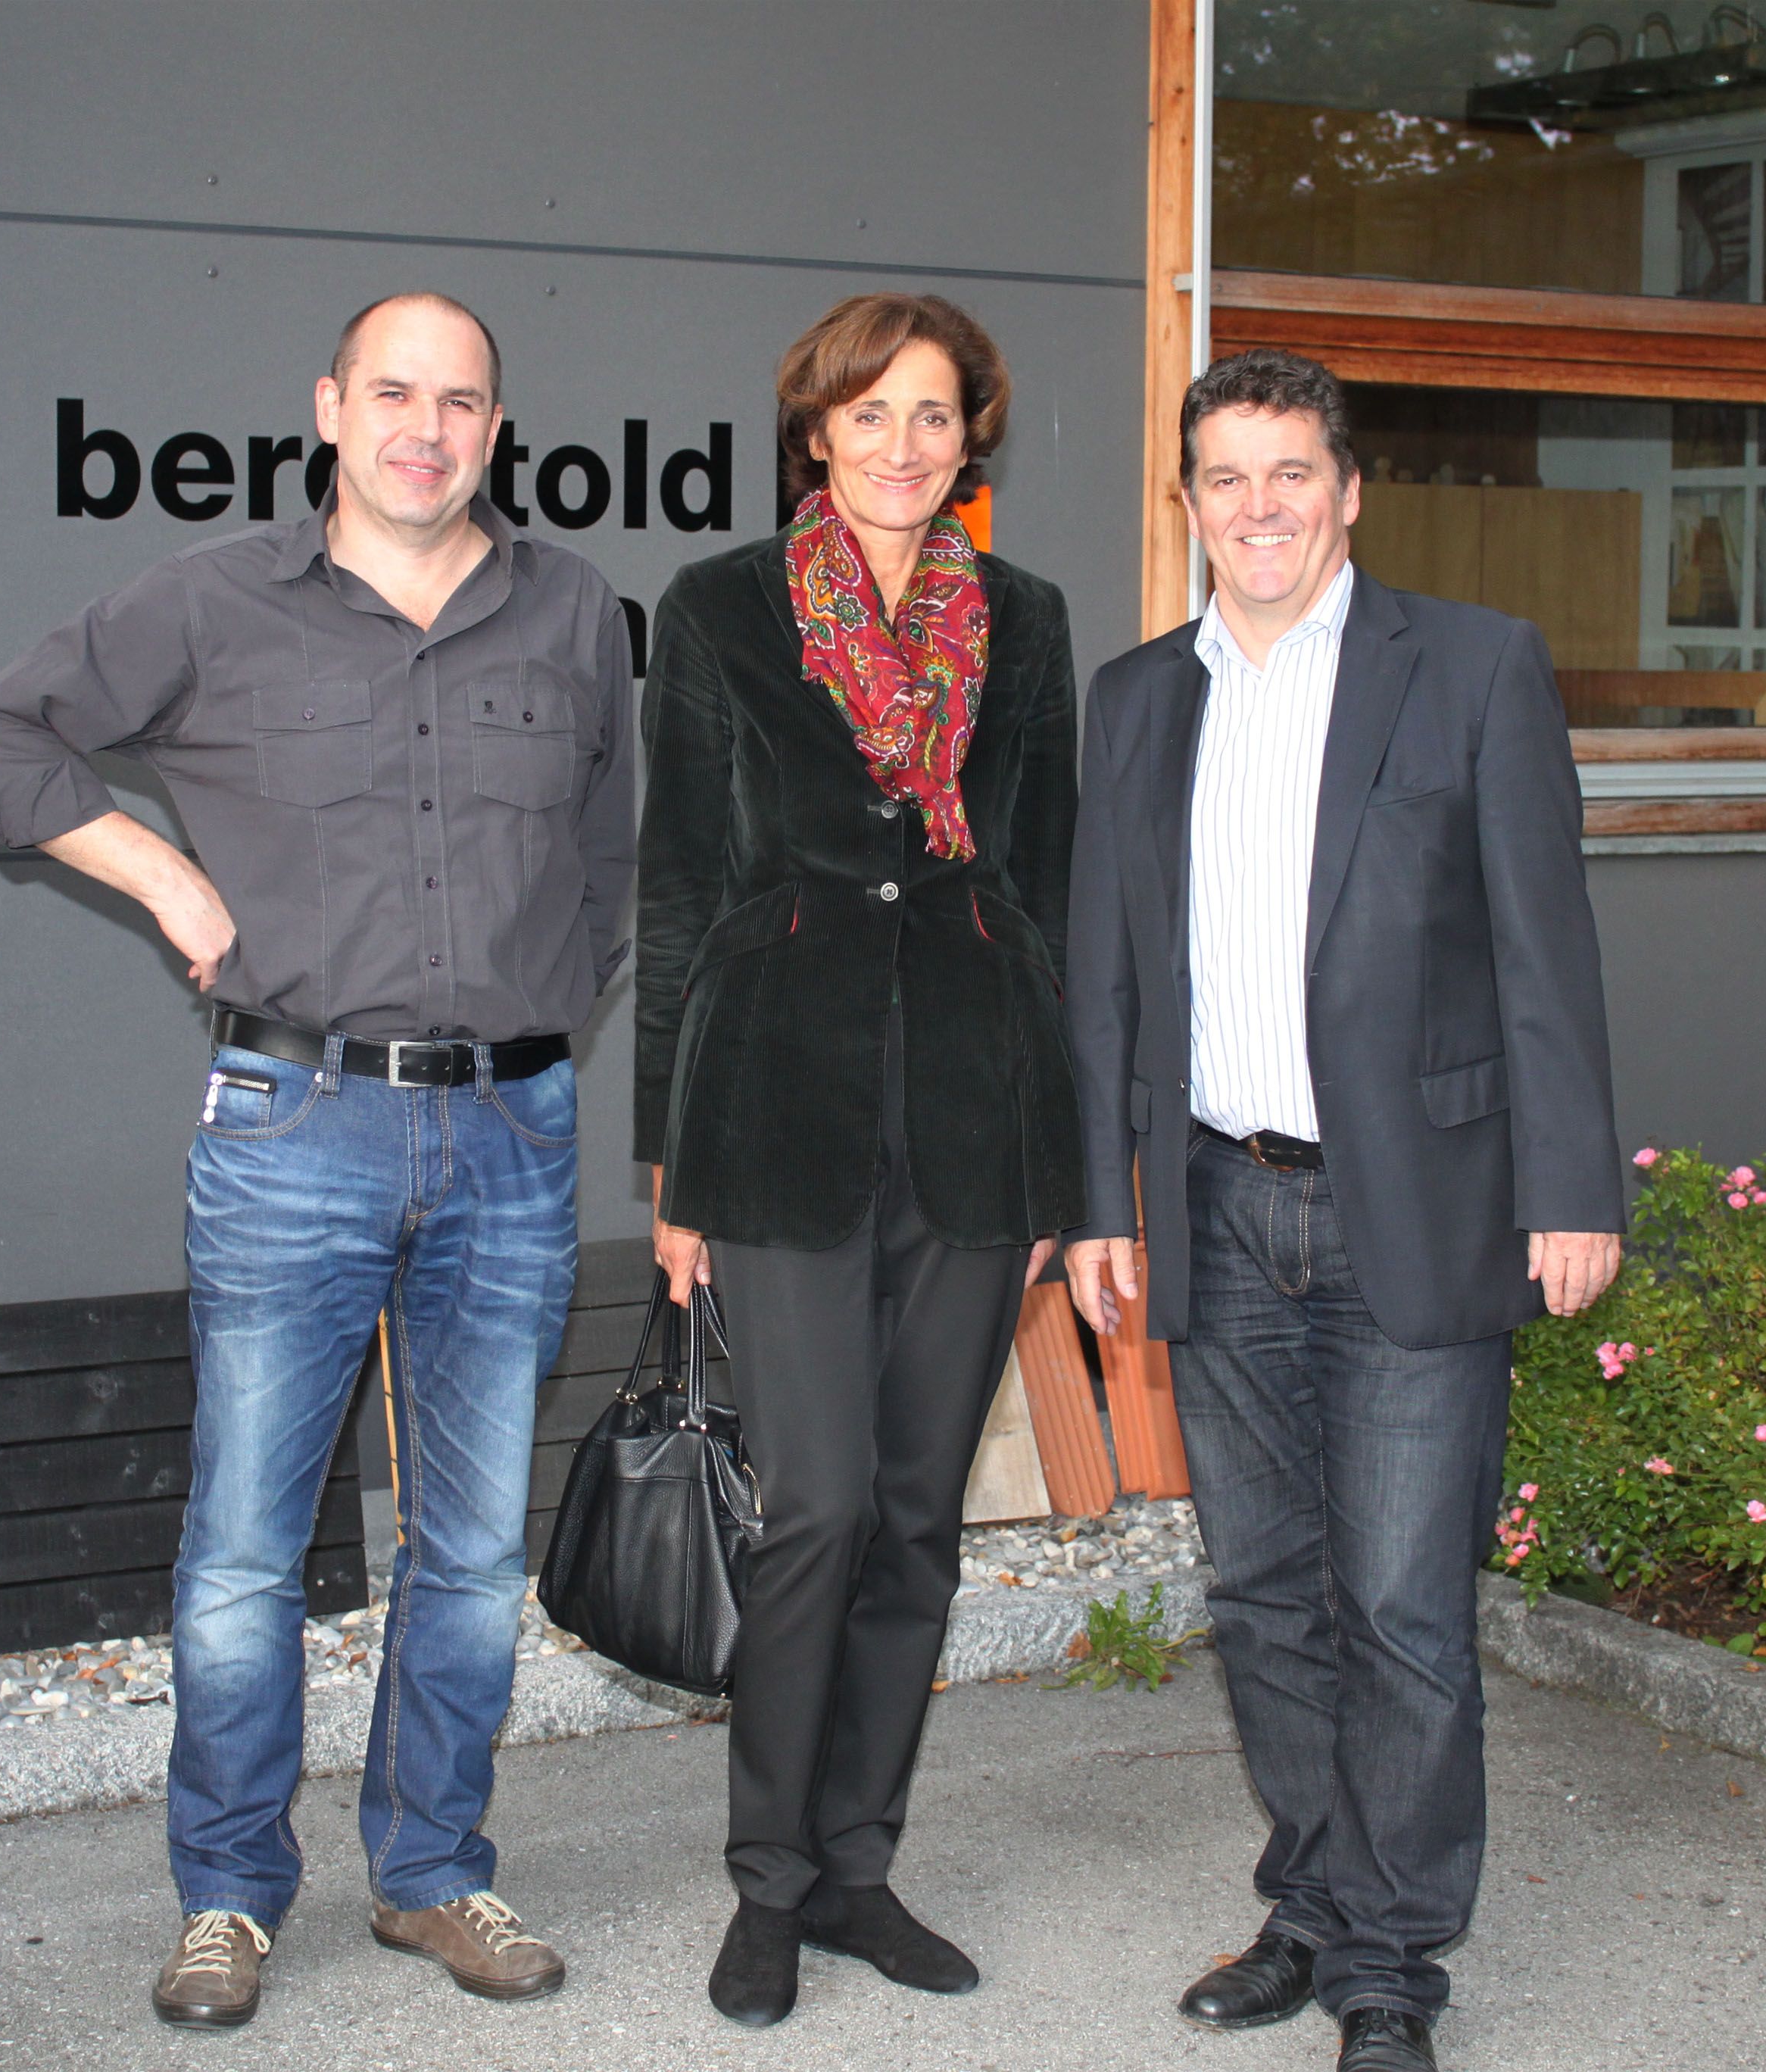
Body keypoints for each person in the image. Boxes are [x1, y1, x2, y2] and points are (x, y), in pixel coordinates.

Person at [0, 292, 632, 2029]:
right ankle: (228, 1896)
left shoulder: (572, 609)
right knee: (247, 1550)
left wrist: (542, 1016)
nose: (425, 428)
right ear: (329, 407)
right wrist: (167, 878)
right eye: (393, 391)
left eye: (459, 401)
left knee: (471, 1548)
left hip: (513, 1133)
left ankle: (433, 1873)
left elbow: (617, 858)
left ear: (495, 428)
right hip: (296, 1125)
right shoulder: (210, 600)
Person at [1061, 348, 1622, 2072]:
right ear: (1189, 503)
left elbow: (1546, 947)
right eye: (1225, 478)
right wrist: (1098, 1204)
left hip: (1421, 1206)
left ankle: (1391, 1958)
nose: (1260, 508)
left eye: (1291, 472)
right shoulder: (1138, 697)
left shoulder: (1471, 666)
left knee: (1399, 1606)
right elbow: (1102, 981)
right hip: (1215, 1203)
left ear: (1350, 490)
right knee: (1262, 1593)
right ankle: (1310, 1900)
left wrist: (1571, 1187)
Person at [634, 292, 1084, 2029]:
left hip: (974, 1114)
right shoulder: (722, 607)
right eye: (872, 413)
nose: (905, 445)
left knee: (916, 1517)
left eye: (936, 415)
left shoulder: (1023, 622)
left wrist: (1055, 1165)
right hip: (773, 1106)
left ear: (973, 441)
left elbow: (1042, 891)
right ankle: (767, 1881)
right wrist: (670, 1166)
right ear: (816, 430)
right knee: (817, 1505)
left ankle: (856, 1869)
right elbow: (679, 887)